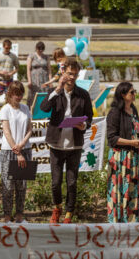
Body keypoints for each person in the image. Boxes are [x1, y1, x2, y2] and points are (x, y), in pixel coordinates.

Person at [40, 58, 93, 224]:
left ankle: (69, 213)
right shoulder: (55, 92)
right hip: (56, 144)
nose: (72, 77)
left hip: (74, 144)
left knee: (71, 182)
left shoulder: (83, 94)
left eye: (75, 75)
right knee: (56, 183)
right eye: (70, 73)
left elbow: (89, 118)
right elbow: (44, 108)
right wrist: (57, 88)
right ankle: (57, 207)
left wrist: (83, 124)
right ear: (63, 72)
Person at [106, 82, 139, 223]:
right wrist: (132, 142)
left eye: (134, 91)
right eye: (131, 92)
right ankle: (117, 220)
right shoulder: (114, 112)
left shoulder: (133, 109)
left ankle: (131, 220)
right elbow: (112, 138)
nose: (134, 94)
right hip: (120, 157)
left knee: (131, 189)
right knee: (119, 190)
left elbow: (134, 130)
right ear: (122, 95)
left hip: (133, 157)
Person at [0, 81, 32, 223]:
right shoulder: (5, 109)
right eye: (16, 94)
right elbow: (6, 131)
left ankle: (19, 215)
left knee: (22, 185)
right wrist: (17, 152)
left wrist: (23, 144)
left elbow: (30, 128)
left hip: (25, 149)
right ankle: (7, 216)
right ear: (10, 94)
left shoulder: (26, 108)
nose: (18, 97)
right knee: (8, 185)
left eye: (21, 94)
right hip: (9, 151)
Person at [0, 39, 19, 108]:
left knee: (8, 99)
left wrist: (11, 73)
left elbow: (17, 68)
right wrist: (1, 72)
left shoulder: (13, 56)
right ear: (3, 46)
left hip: (9, 80)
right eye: (7, 47)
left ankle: (6, 114)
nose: (8, 49)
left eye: (9, 47)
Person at [27, 41, 51, 109]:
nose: (40, 50)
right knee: (33, 96)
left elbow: (49, 70)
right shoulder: (31, 56)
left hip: (44, 79)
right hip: (34, 79)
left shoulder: (46, 57)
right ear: (36, 48)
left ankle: (43, 111)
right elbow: (28, 69)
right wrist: (29, 81)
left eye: (42, 49)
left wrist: (50, 81)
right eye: (39, 49)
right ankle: (32, 111)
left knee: (44, 95)